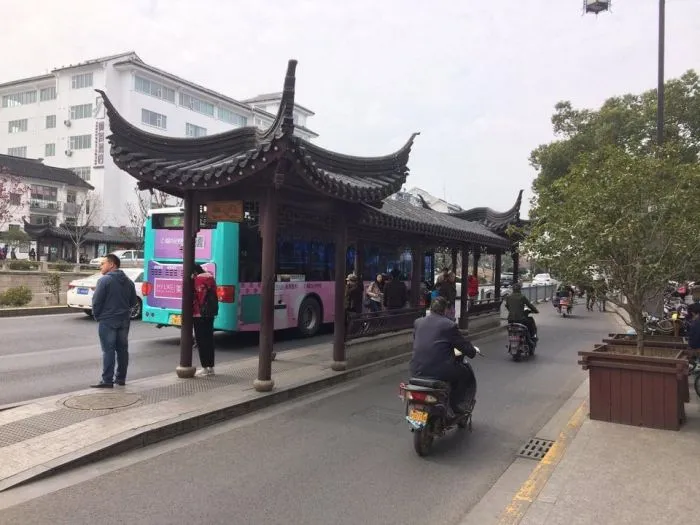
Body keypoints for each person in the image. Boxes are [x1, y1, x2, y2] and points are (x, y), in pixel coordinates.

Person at [410, 297, 478, 414]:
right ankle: (457, 405)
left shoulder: (418, 322)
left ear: (430, 308)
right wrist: (472, 351)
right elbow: (463, 346)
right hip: (440, 371)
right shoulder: (449, 325)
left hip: (416, 369)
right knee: (464, 373)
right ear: (445, 310)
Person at [91, 254, 137, 388]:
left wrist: (97, 316)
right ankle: (121, 378)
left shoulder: (104, 281)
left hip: (108, 320)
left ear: (112, 264)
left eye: (103, 263)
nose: (101, 266)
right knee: (122, 350)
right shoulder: (129, 282)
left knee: (108, 350)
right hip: (124, 320)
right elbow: (133, 302)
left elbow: (96, 301)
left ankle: (107, 380)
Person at [193, 264, 218, 376]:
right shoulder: (211, 278)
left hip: (199, 314)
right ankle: (211, 367)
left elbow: (196, 297)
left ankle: (204, 367)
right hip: (210, 313)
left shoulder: (197, 280)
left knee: (201, 341)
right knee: (209, 339)